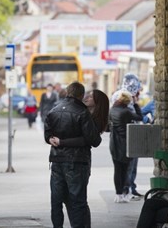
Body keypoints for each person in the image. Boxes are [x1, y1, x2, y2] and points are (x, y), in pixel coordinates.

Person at [44, 82, 102, 228]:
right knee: (77, 201)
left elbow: (47, 135)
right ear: (81, 95)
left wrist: (52, 140)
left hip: (56, 161)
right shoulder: (82, 112)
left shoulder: (54, 109)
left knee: (56, 200)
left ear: (67, 92)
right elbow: (94, 140)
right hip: (77, 162)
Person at [110, 73, 145, 201]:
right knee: (128, 168)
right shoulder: (127, 108)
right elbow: (138, 117)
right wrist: (136, 104)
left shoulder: (114, 105)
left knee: (118, 169)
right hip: (128, 140)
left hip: (114, 142)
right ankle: (127, 190)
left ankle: (120, 193)